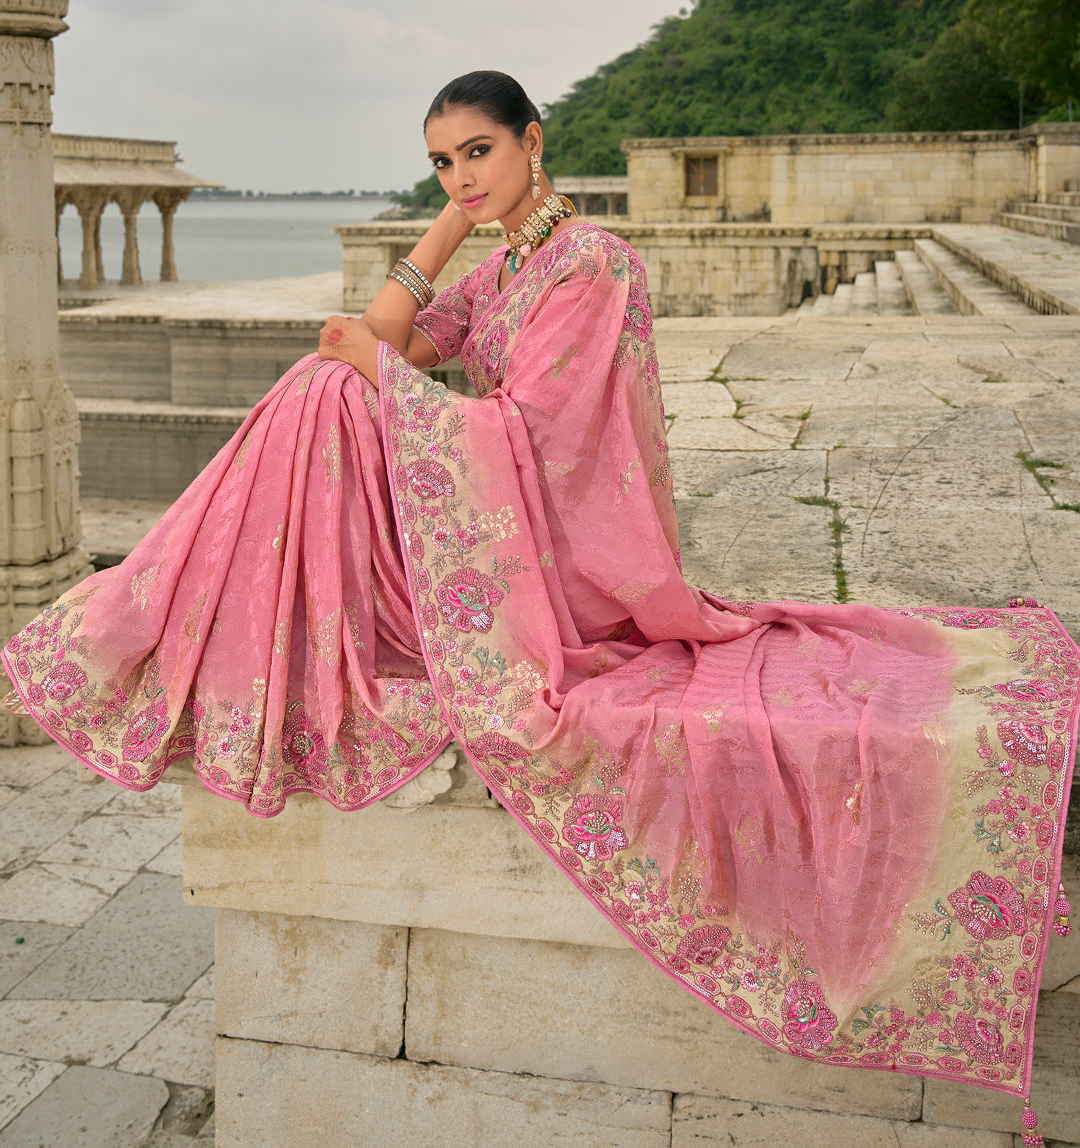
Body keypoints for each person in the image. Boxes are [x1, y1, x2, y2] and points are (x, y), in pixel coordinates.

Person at [3, 71, 1076, 1142]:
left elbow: (539, 434)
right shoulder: (513, 263)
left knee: (329, 387)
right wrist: (445, 232)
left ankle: (151, 619)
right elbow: (381, 334)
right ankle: (196, 624)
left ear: (533, 140)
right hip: (504, 515)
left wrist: (376, 372)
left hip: (567, 553)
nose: (462, 174)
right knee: (322, 383)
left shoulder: (590, 263)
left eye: (478, 151)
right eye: (441, 161)